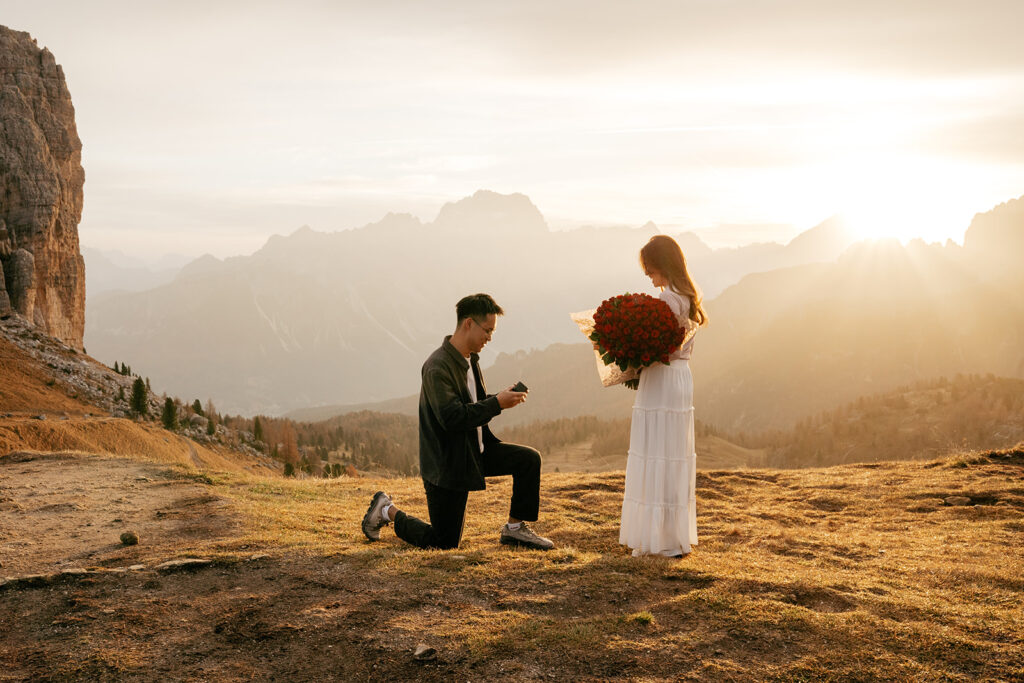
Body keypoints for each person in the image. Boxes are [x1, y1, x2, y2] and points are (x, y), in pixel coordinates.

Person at [361, 293, 554, 551]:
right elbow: (452, 417)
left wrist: (500, 397)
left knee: (529, 459)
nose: (490, 338)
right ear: (468, 324)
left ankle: (515, 529)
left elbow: (472, 403)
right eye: (487, 330)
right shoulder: (437, 367)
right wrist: (497, 404)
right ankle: (386, 510)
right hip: (447, 465)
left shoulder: (470, 359)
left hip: (475, 452)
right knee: (444, 543)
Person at [620, 235, 708, 558]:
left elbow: (662, 349)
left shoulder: (669, 301)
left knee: (657, 449)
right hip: (680, 377)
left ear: (663, 266)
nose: (650, 278)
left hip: (662, 377)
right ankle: (670, 535)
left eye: (652, 271)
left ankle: (657, 539)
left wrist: (630, 352)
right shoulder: (687, 296)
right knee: (671, 453)